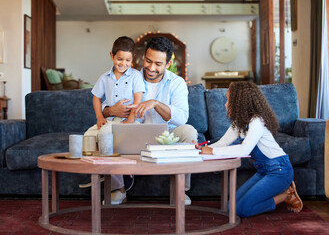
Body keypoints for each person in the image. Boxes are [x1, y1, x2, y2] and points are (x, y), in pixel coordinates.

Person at [102, 36, 198, 205]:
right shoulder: (128, 77)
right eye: (148, 60)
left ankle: (180, 190)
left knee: (189, 131)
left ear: (168, 64)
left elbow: (182, 118)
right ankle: (118, 189)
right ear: (142, 57)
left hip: (166, 136)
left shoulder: (177, 83)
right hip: (133, 133)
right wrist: (111, 110)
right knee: (108, 131)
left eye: (158, 64)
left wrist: (155, 103)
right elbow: (104, 109)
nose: (151, 68)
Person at [200, 81, 303, 217]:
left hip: (279, 171)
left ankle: (286, 195)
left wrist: (212, 152)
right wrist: (202, 149)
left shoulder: (257, 121)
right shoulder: (239, 122)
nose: (225, 104)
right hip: (263, 171)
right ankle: (282, 193)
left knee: (243, 210)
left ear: (239, 103)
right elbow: (223, 143)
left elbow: (244, 150)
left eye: (228, 100)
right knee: (232, 206)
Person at [83, 36, 145, 203]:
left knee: (106, 136)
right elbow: (96, 98)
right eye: (119, 59)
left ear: (133, 59)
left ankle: (119, 186)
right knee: (88, 137)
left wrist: (128, 123)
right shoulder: (105, 77)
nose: (123, 63)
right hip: (110, 120)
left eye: (127, 60)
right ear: (111, 56)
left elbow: (138, 100)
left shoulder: (136, 76)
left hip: (130, 122)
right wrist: (99, 117)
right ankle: (99, 172)